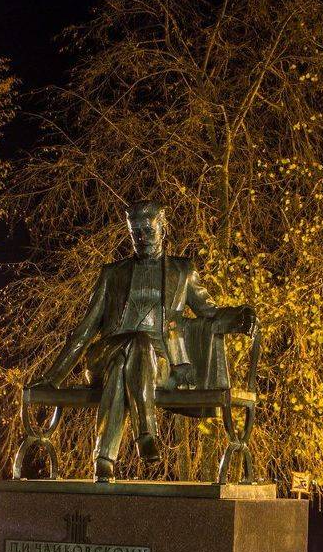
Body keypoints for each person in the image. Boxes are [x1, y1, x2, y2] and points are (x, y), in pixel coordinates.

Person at [40, 201, 250, 481]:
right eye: (135, 232)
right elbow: (84, 330)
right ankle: (145, 432)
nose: (142, 238)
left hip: (158, 366)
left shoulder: (182, 271)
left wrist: (242, 317)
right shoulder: (112, 273)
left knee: (123, 366)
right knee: (133, 344)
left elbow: (210, 312)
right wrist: (52, 378)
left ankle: (104, 460)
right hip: (105, 355)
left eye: (148, 231)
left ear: (163, 228)